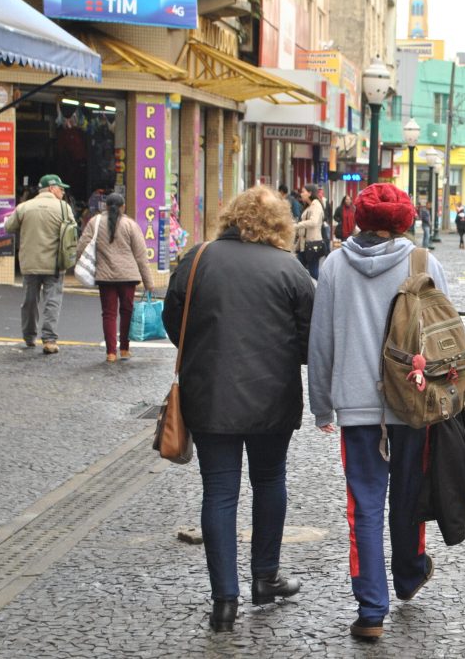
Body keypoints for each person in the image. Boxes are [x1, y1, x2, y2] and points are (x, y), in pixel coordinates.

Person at [162, 186, 315, 634]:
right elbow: (310, 340)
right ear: (279, 224)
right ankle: (265, 577)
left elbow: (177, 323)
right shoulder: (290, 269)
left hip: (208, 395)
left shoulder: (197, 258)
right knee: (270, 481)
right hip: (272, 396)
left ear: (231, 216)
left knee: (219, 491)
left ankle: (223, 601)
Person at [308, 183, 447, 640]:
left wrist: (321, 403)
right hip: (414, 398)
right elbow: (447, 334)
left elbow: (321, 341)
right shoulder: (424, 264)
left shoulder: (333, 267)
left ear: (359, 219)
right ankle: (408, 576)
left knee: (363, 506)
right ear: (405, 220)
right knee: (410, 494)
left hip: (357, 404)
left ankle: (371, 610)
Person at [76, 193, 155, 363]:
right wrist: (149, 283)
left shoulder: (95, 222)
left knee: (109, 314)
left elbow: (82, 245)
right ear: (123, 206)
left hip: (105, 277)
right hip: (128, 276)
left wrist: (79, 262)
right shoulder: (130, 225)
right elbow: (141, 256)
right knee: (126, 311)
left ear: (105, 206)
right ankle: (125, 349)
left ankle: (110, 353)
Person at [5, 174, 72, 354]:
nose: (63, 192)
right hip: (55, 264)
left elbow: (8, 227)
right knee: (52, 300)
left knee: (29, 300)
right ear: (51, 188)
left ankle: (29, 336)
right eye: (61, 188)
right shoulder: (64, 208)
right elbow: (72, 234)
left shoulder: (24, 207)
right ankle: (49, 340)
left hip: (30, 263)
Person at [294, 184, 326, 279]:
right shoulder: (309, 206)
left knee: (313, 272)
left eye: (303, 191)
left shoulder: (316, 205)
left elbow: (313, 222)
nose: (301, 194)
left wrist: (296, 225)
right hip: (304, 245)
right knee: (299, 269)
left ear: (310, 193)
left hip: (312, 244)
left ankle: (318, 290)